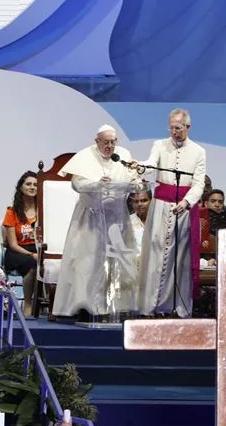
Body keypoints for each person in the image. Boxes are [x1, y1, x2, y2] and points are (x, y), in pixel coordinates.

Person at [53, 124, 141, 321]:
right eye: (106, 142)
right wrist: (97, 183)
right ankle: (86, 305)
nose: (110, 146)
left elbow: (135, 179)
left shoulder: (123, 154)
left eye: (113, 142)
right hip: (91, 220)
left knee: (119, 260)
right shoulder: (85, 156)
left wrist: (135, 182)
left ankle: (118, 306)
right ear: (97, 141)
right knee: (88, 262)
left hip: (117, 218)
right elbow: (77, 184)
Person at [134, 108, 207, 317]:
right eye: (172, 127)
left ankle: (176, 307)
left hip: (183, 209)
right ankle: (150, 306)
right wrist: (140, 167)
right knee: (156, 252)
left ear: (187, 127)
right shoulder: (159, 145)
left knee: (179, 258)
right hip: (160, 206)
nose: (174, 132)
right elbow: (150, 163)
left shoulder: (198, 151)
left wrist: (187, 202)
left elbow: (199, 183)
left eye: (178, 127)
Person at [2, 172, 40, 315]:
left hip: (37, 249)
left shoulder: (43, 210)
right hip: (17, 251)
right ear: (21, 188)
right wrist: (32, 254)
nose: (32, 187)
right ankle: (28, 305)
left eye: (36, 185)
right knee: (32, 265)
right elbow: (12, 244)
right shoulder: (12, 212)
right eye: (28, 184)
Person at [130, 187, 151, 251]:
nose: (139, 204)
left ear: (151, 201)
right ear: (132, 203)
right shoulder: (128, 221)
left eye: (144, 200)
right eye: (136, 201)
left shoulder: (158, 220)